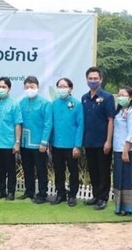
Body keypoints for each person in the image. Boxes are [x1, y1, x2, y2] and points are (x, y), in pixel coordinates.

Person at [81, 67, 115, 210]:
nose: (93, 81)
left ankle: (103, 198)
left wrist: (108, 141)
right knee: (93, 169)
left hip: (103, 141)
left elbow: (111, 120)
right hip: (89, 141)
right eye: (90, 78)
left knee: (103, 170)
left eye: (95, 78)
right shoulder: (84, 98)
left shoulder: (107, 97)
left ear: (101, 79)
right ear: (86, 80)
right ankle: (95, 195)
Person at [50, 77, 84, 207]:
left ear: (70, 88)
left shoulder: (77, 104)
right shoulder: (54, 104)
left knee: (73, 171)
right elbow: (51, 124)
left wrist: (77, 145)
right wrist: (50, 142)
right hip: (56, 144)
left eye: (64, 86)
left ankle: (72, 195)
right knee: (58, 171)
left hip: (71, 145)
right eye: (60, 86)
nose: (62, 89)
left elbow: (80, 125)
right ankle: (60, 194)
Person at [19, 76, 52, 204]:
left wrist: (44, 142)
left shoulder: (45, 103)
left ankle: (42, 194)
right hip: (24, 143)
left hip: (39, 144)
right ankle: (29, 191)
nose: (29, 89)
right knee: (27, 168)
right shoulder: (21, 103)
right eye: (27, 87)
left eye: (32, 87)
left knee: (41, 170)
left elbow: (48, 124)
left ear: (37, 87)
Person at [0, 78, 22, 201]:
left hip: (9, 143)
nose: (1, 89)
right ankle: (1, 191)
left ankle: (11, 192)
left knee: (10, 169)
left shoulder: (14, 104)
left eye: (3, 87)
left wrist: (17, 142)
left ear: (9, 89)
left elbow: (17, 124)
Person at [112, 85, 132, 216]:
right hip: (117, 148)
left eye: (124, 95)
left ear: (131, 97)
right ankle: (119, 206)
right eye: (119, 95)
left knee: (128, 178)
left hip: (128, 150)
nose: (121, 97)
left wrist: (125, 151)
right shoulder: (118, 111)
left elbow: (131, 132)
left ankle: (128, 207)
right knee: (119, 177)